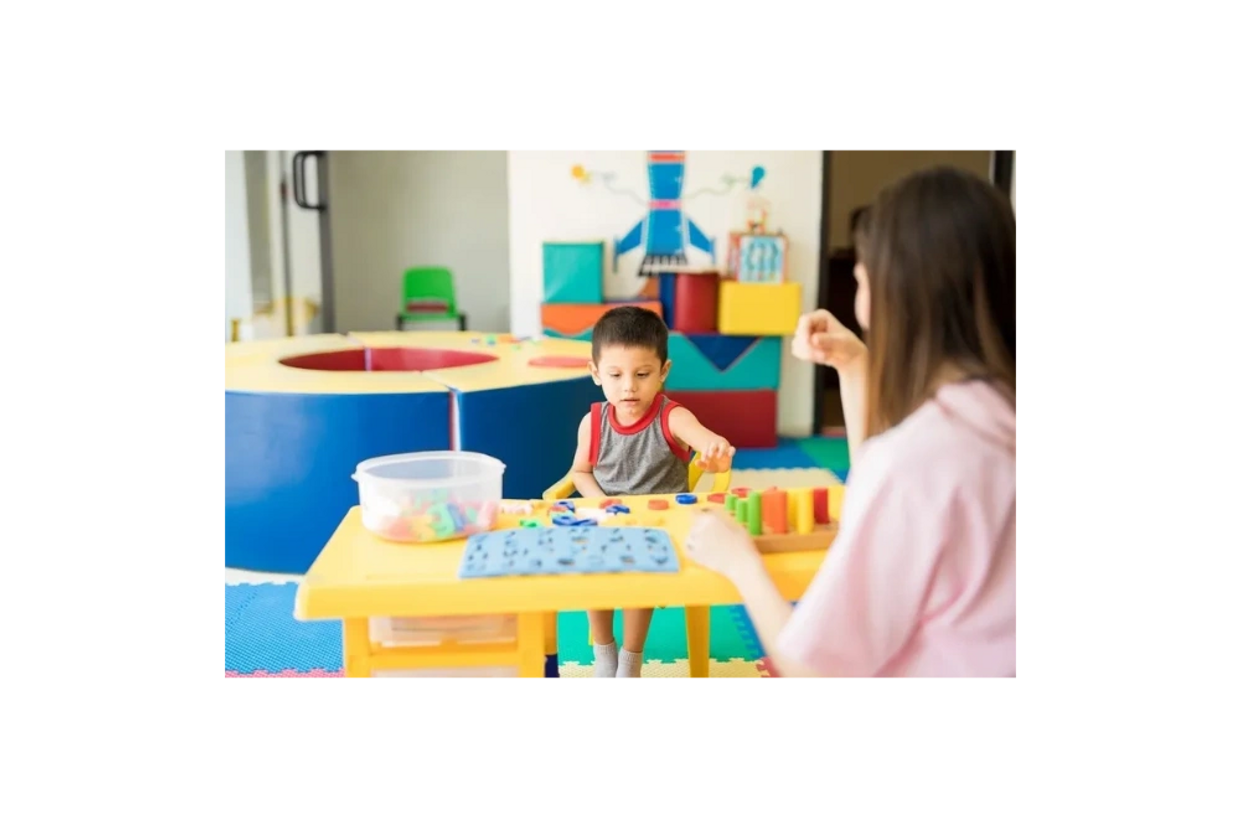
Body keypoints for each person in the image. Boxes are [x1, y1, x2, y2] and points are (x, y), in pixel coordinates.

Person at [685, 166, 1018, 681]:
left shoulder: (916, 460)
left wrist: (739, 562)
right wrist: (856, 366)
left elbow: (815, 671)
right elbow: (893, 503)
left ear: (895, 293)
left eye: (861, 280)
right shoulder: (991, 420)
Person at [569, 305, 735, 680]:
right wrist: (601, 499)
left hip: (659, 527)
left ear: (663, 372)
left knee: (634, 574)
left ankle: (630, 663)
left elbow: (709, 444)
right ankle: (604, 655)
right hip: (608, 517)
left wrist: (715, 453)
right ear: (596, 374)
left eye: (642, 374)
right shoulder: (592, 422)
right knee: (589, 567)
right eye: (615, 374)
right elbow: (580, 472)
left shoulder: (672, 416)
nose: (628, 386)